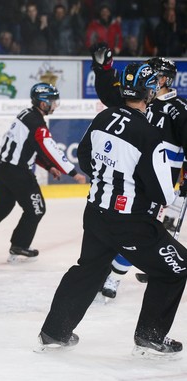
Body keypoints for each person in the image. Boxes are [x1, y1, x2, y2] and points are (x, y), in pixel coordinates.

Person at [38, 62, 186, 359]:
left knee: (89, 269)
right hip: (132, 222)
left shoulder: (104, 117)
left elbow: (84, 157)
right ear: (149, 92)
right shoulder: (149, 134)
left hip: (96, 213)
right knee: (176, 268)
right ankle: (150, 336)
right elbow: (162, 192)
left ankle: (55, 330)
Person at [91, 44, 187, 298]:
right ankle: (103, 270)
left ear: (166, 79)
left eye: (156, 75)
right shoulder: (139, 98)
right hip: (129, 178)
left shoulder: (179, 109)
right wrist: (103, 70)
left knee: (140, 230)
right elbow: (110, 96)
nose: (152, 79)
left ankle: (113, 278)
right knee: (121, 224)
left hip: (157, 182)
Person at [0, 83, 86, 262]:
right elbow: (50, 149)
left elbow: (28, 147)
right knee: (36, 209)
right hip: (18, 173)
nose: (55, 105)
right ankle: (19, 245)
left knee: (3, 206)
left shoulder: (25, 115)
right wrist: (73, 172)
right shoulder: (37, 124)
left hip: (3, 168)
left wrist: (48, 167)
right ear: (43, 103)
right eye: (53, 101)